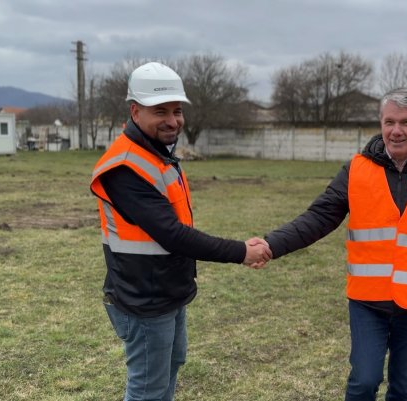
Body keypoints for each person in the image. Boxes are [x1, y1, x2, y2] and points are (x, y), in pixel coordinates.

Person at [264, 88, 407, 401]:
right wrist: (271, 245)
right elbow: (319, 218)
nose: (396, 130)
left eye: (405, 122)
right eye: (389, 122)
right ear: (380, 123)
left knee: (404, 389)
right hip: (367, 301)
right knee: (364, 381)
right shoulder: (356, 169)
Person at [90, 62, 271, 400]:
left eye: (177, 111)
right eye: (160, 111)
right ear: (135, 111)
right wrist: (241, 252)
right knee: (148, 389)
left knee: (170, 370)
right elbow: (172, 234)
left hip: (166, 290)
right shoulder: (125, 167)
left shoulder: (157, 155)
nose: (173, 120)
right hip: (144, 299)